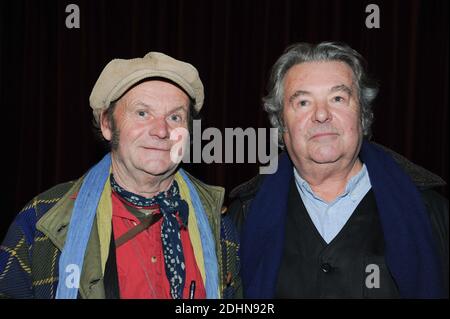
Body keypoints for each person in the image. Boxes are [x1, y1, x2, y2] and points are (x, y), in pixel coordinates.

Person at [0, 52, 240, 299]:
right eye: (142, 113)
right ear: (107, 124)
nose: (161, 130)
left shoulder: (220, 228)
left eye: (175, 117)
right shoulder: (42, 221)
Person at [228, 42, 448, 298]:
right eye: (302, 102)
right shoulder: (241, 218)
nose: (321, 114)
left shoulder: (431, 213)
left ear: (363, 115)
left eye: (338, 98)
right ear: (281, 123)